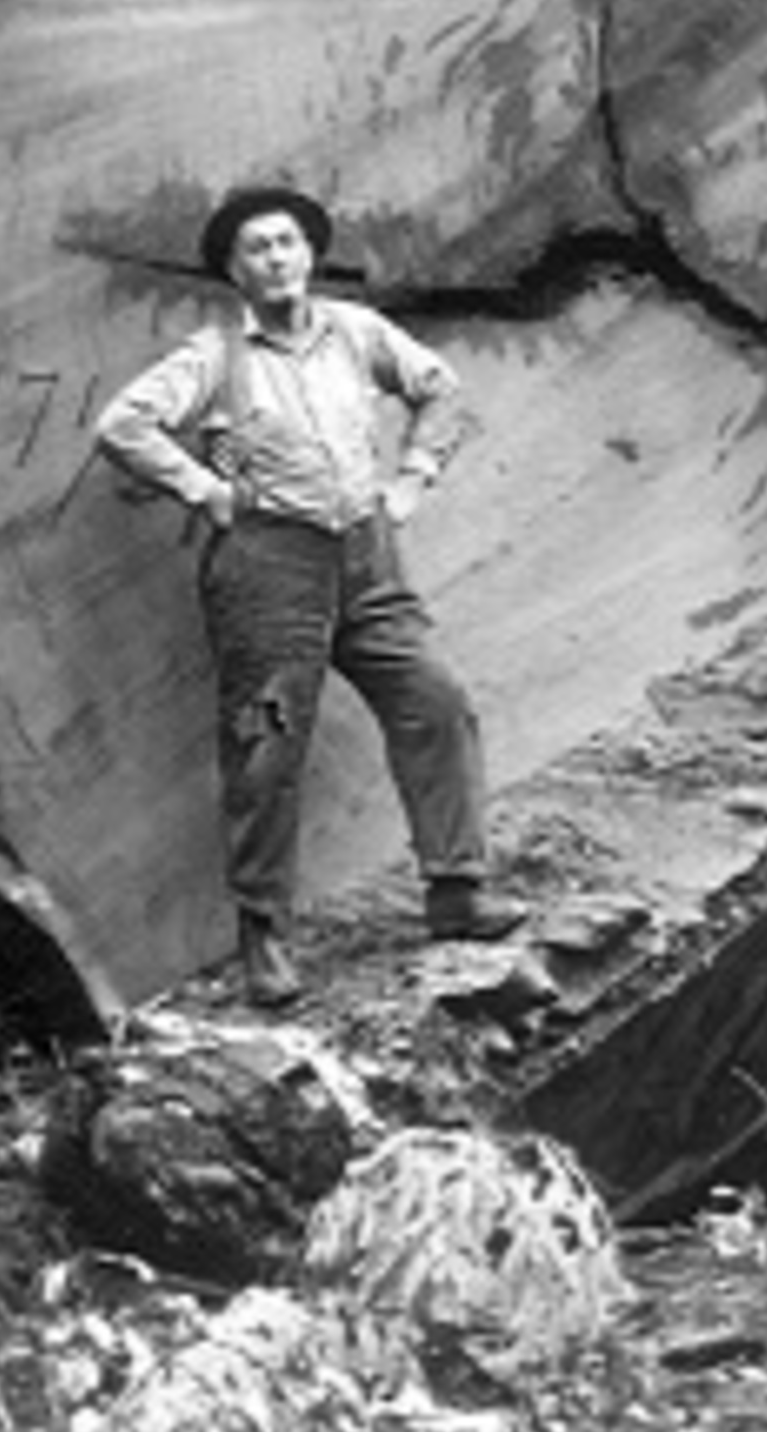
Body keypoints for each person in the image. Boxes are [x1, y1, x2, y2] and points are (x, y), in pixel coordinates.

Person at [92, 186, 523, 1010]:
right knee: (267, 745)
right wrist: (205, 490)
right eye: (256, 249)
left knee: (435, 701)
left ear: (311, 254)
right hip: (267, 566)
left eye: (288, 243)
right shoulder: (215, 356)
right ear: (234, 271)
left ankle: (457, 889)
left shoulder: (357, 332)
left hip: (366, 554)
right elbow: (123, 426)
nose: (276, 260)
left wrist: (413, 478)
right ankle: (265, 937)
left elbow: (442, 388)